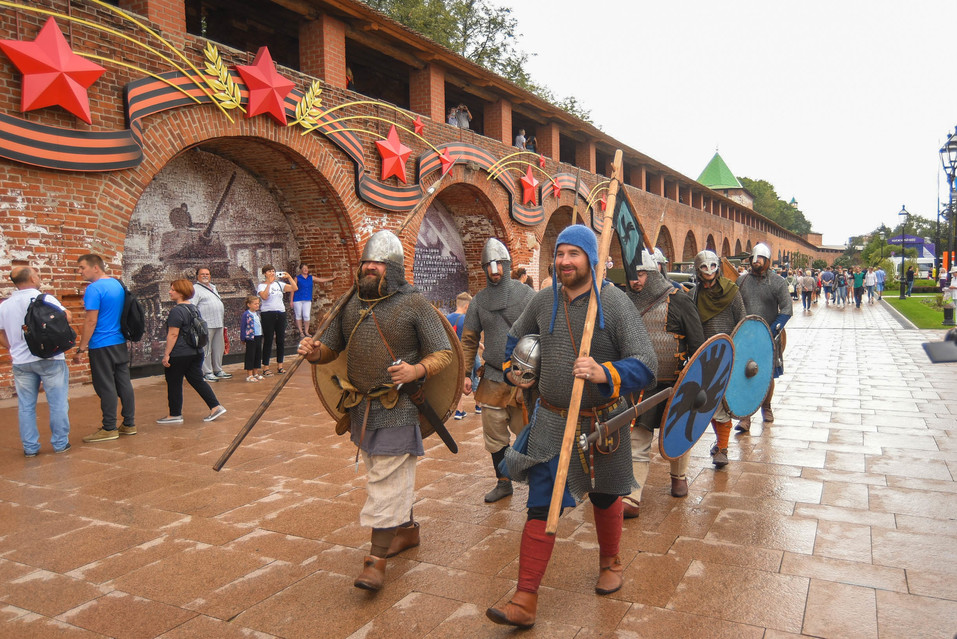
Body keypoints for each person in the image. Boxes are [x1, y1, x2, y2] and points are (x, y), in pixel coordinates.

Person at [487, 225, 656, 628]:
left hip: (602, 426)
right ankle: (525, 597)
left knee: (605, 495)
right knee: (540, 506)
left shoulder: (613, 304)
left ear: (590, 259)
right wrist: (515, 370)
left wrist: (604, 371)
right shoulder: (544, 299)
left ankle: (610, 562)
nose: (564, 261)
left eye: (573, 254)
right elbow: (514, 340)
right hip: (551, 420)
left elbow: (647, 364)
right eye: (560, 253)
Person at [298, 230, 453, 593]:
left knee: (385, 483)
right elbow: (331, 350)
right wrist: (313, 351)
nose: (370, 267)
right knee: (387, 476)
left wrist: (416, 370)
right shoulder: (350, 303)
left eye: (378, 263)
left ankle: (375, 561)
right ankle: (408, 530)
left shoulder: (414, 304)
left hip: (397, 406)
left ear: (394, 268)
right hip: (361, 408)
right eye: (367, 262)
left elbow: (444, 352)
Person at [623, 250, 704, 518]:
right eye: (632, 275)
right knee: (638, 438)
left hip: (676, 382)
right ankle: (632, 496)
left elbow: (698, 344)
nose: (635, 280)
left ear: (654, 272)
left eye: (642, 273)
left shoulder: (679, 300)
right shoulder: (624, 302)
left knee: (679, 434)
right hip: (641, 383)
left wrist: (695, 381)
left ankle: (679, 476)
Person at [462, 239, 535, 502]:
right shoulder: (479, 301)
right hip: (492, 377)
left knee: (530, 432)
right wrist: (466, 374)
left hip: (522, 377)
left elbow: (541, 332)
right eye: (489, 266)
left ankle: (540, 483)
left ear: (506, 265)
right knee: (494, 437)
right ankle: (503, 482)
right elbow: (469, 339)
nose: (494, 271)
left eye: (498, 265)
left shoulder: (526, 295)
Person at [0, 266, 72, 456]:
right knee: (57, 402)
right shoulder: (45, 299)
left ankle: (30, 448)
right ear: (32, 278)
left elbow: (0, 331)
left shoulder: (4, 305)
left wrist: (11, 347)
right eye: (37, 274)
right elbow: (68, 316)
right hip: (50, 357)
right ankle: (60, 443)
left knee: (26, 406)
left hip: (21, 362)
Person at [690, 250, 745, 468]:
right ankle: (720, 443)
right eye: (704, 268)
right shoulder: (694, 294)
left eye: (712, 267)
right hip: (704, 355)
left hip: (727, 354)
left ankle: (723, 448)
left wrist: (738, 351)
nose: (709, 272)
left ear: (718, 268)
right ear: (698, 270)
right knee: (708, 402)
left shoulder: (732, 292)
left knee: (722, 402)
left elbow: (742, 323)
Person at [74, 254, 136, 443]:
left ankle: (109, 427)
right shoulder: (117, 284)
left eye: (82, 267)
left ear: (96, 267)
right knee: (124, 382)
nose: (80, 271)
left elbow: (91, 321)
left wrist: (81, 348)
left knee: (105, 385)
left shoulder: (94, 289)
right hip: (118, 341)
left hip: (101, 344)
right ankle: (129, 423)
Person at [735, 244, 791, 432]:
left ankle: (766, 407)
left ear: (767, 261)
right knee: (745, 374)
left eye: (760, 258)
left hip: (768, 334)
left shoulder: (777, 282)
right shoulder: (741, 281)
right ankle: (745, 416)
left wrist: (773, 329)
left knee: (767, 374)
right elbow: (734, 306)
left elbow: (786, 309)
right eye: (753, 258)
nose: (755, 261)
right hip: (746, 335)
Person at [156, 279, 227, 424]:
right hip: (196, 352)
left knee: (174, 382)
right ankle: (215, 406)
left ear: (181, 292)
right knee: (197, 380)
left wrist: (167, 354)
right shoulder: (193, 308)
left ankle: (174, 414)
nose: (170, 292)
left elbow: (173, 334)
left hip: (180, 353)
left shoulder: (176, 311)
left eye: (173, 290)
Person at [257, 265, 297, 376]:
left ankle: (280, 366)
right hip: (268, 313)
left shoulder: (279, 284)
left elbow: (294, 288)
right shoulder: (261, 285)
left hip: (280, 313)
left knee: (280, 340)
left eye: (273, 271)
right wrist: (269, 283)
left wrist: (289, 277)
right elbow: (264, 297)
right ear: (265, 273)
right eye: (269, 271)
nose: (272, 273)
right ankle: (266, 367)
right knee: (268, 340)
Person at [191, 267, 229, 382]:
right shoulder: (195, 289)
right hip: (206, 324)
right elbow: (193, 306)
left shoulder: (213, 287)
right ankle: (207, 372)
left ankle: (218, 369)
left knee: (218, 348)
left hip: (218, 322)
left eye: (207, 274)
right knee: (206, 349)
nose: (205, 276)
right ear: (197, 276)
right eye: (202, 274)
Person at [447, 291, 478, 420]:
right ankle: (479, 405)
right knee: (476, 376)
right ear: (466, 306)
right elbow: (471, 339)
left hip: (454, 355)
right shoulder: (467, 319)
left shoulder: (447, 318)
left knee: (457, 381)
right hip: (468, 353)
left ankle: (459, 411)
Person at [241, 294, 264, 382]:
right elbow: (243, 326)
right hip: (250, 338)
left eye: (258, 303)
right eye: (255, 304)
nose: (257, 305)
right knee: (251, 355)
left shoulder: (257, 314)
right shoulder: (246, 314)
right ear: (249, 305)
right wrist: (243, 338)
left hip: (258, 336)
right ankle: (249, 374)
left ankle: (256, 373)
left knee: (258, 355)